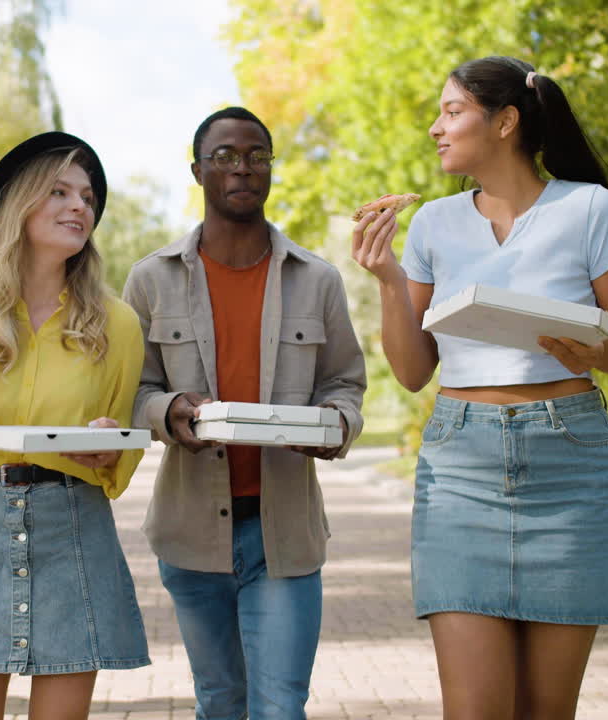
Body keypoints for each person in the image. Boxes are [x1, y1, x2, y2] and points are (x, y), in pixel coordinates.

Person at [351, 56, 608, 720]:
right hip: (461, 468)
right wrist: (389, 280)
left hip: (568, 464)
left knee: (546, 712)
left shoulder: (592, 210)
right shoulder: (433, 223)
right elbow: (411, 372)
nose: (436, 127)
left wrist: (594, 349)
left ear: (507, 121)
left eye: (452, 111)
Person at [122, 106, 367, 720]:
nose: (243, 168)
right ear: (199, 170)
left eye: (258, 156)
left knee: (280, 707)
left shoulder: (318, 280)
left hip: (283, 532)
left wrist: (335, 425)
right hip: (190, 533)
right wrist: (169, 409)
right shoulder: (150, 280)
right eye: (226, 156)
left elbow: (345, 384)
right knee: (220, 702)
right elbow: (127, 392)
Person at [0, 131, 150, 720]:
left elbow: (119, 459)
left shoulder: (117, 325)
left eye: (88, 197)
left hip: (73, 527)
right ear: (18, 206)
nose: (79, 207)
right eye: (59, 192)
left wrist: (105, 446)